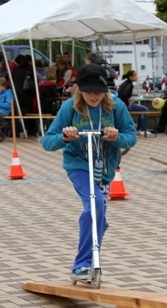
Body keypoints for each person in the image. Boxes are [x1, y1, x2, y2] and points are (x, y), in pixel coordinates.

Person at [42, 64, 137, 283]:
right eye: (88, 91)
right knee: (95, 205)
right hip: (79, 165)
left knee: (98, 216)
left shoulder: (116, 106)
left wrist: (116, 137)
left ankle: (91, 250)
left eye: (98, 91)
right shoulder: (70, 108)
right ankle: (82, 265)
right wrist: (65, 137)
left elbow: (131, 136)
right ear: (79, 89)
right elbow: (48, 142)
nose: (94, 96)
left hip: (104, 168)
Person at [116, 69, 151, 135]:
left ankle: (140, 129)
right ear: (130, 77)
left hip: (121, 104)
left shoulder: (125, 83)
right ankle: (141, 129)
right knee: (144, 109)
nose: (136, 77)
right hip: (125, 105)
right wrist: (128, 103)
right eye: (135, 75)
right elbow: (124, 95)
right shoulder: (129, 85)